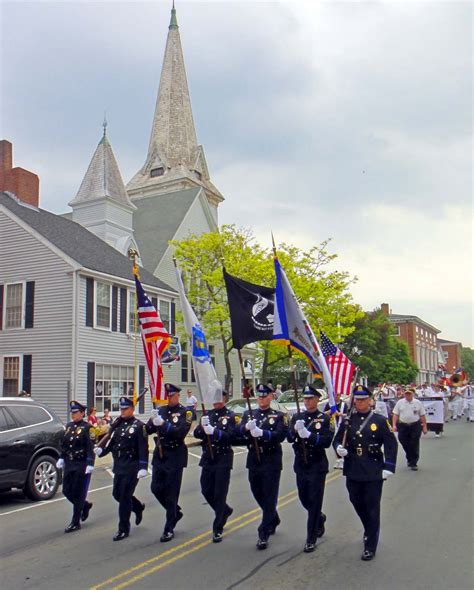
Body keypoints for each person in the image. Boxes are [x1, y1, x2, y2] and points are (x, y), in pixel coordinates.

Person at [334, 385, 397, 561]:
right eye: (357, 399)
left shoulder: (379, 420)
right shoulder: (348, 420)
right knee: (356, 501)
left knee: (372, 506)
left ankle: (370, 543)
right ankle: (368, 528)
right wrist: (339, 448)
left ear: (370, 400)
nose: (359, 402)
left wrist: (389, 467)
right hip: (353, 467)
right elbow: (337, 439)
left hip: (373, 468)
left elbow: (391, 444)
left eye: (363, 399)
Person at [238, 383, 288, 550]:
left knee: (269, 495)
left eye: (264, 395)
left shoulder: (279, 416)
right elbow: (238, 433)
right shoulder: (249, 414)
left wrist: (263, 433)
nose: (261, 398)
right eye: (259, 396)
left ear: (271, 397)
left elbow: (281, 435)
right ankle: (273, 517)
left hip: (271, 459)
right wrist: (246, 427)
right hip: (254, 459)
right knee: (257, 491)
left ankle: (263, 532)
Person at [94, 396, 148, 541]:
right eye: (121, 409)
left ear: (132, 409)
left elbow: (143, 448)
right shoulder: (118, 425)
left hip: (132, 467)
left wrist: (143, 467)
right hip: (119, 466)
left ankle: (123, 528)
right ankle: (137, 506)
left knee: (124, 497)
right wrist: (102, 452)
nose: (123, 411)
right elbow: (113, 444)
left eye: (126, 409)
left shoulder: (139, 426)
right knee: (117, 494)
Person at [288, 385, 334, 553]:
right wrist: (294, 430)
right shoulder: (297, 417)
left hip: (317, 464)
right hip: (301, 463)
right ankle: (319, 518)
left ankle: (311, 538)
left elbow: (327, 441)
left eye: (310, 398)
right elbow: (289, 438)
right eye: (305, 399)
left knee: (314, 501)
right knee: (303, 498)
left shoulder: (325, 418)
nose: (307, 402)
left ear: (317, 400)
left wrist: (309, 435)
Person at [146, 383, 193, 542]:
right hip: (160, 455)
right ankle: (174, 513)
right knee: (156, 488)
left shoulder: (185, 412)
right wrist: (152, 420)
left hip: (175, 455)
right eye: (166, 396)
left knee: (172, 493)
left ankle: (169, 527)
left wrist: (164, 424)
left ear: (177, 395)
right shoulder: (161, 411)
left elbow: (180, 432)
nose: (168, 398)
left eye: (171, 396)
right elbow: (147, 430)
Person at [193, 391, 237, 543]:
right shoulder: (208, 415)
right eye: (214, 398)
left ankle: (217, 527)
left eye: (219, 398)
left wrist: (215, 432)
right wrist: (202, 428)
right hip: (208, 458)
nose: (216, 401)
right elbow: (197, 434)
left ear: (225, 399)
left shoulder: (231, 416)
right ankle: (224, 510)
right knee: (206, 490)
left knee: (219, 493)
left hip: (222, 458)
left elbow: (231, 436)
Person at [57, 400, 95, 533]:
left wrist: (90, 463)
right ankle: (84, 506)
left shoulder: (88, 428)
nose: (73, 415)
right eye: (72, 413)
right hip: (70, 462)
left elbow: (90, 447)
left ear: (82, 413)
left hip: (81, 463)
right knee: (67, 490)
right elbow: (65, 444)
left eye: (76, 412)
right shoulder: (69, 426)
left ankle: (75, 521)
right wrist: (62, 457)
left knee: (78, 492)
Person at [392, 388, 427, 469]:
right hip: (403, 425)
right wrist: (394, 425)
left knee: (414, 443)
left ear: (412, 394)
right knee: (403, 440)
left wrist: (425, 426)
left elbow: (422, 415)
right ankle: (409, 456)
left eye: (409, 394)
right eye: (406, 394)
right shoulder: (400, 402)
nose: (408, 395)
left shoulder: (417, 403)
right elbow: (395, 414)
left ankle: (414, 462)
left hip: (415, 425)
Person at [323, 391, 348, 469]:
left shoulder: (344, 404)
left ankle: (341, 459)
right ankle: (338, 459)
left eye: (338, 395)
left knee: (341, 442)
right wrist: (330, 411)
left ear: (340, 395)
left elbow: (348, 414)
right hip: (333, 425)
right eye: (335, 395)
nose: (336, 396)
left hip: (341, 425)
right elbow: (324, 414)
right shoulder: (330, 404)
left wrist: (341, 414)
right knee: (334, 442)